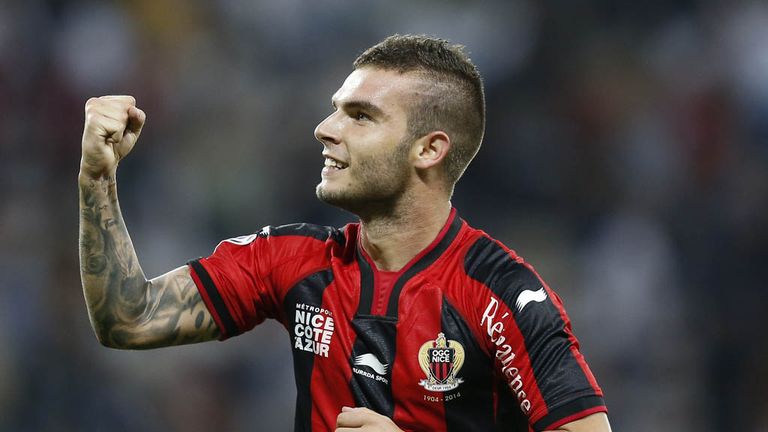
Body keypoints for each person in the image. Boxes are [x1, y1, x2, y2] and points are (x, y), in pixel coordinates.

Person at [79, 34, 611, 432]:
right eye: (336, 110)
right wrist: (97, 179)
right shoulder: (291, 260)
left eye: (360, 116)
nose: (325, 129)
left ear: (429, 149)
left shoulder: (501, 295)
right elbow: (130, 318)